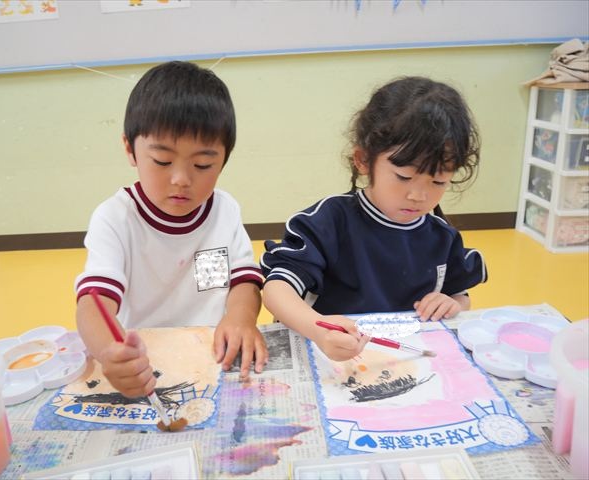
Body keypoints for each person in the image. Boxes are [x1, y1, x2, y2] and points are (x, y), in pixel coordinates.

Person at [261, 76, 487, 362]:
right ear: (364, 160)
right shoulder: (329, 221)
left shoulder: (442, 237)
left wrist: (452, 304)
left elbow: (460, 295)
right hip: (330, 356)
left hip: (404, 360)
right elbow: (277, 289)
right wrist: (318, 329)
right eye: (403, 177)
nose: (418, 196)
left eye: (438, 181)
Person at [75, 61, 267, 397]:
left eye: (203, 164)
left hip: (211, 352)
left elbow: (242, 280)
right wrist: (110, 354)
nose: (181, 179)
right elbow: (94, 303)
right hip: (145, 358)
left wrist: (240, 317)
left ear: (224, 159)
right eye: (162, 161)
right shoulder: (115, 218)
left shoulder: (223, 211)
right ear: (129, 149)